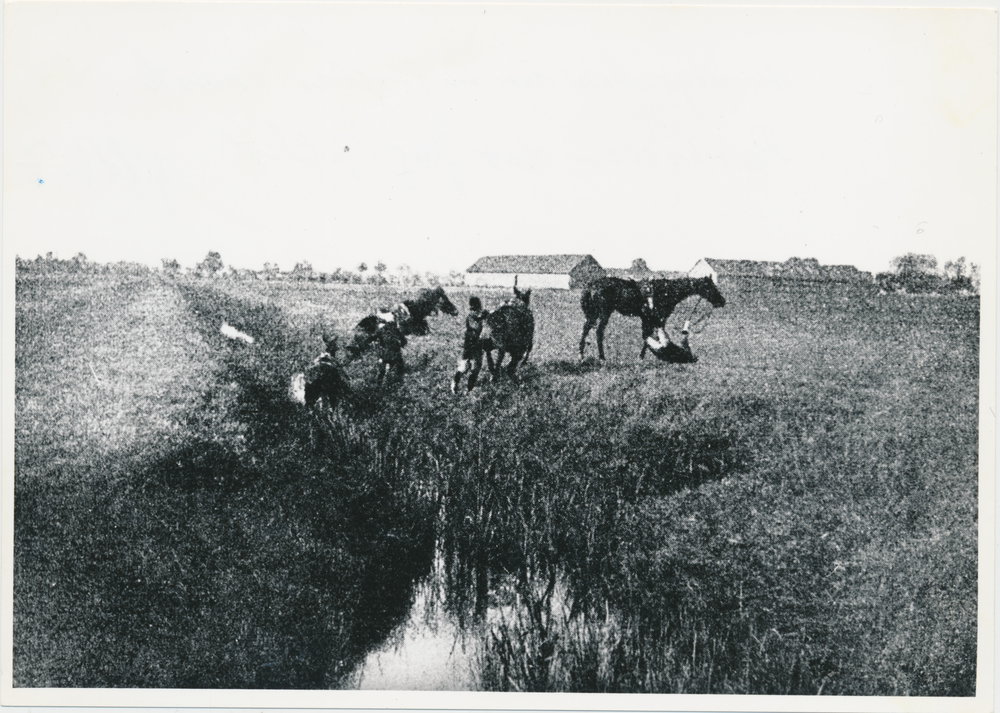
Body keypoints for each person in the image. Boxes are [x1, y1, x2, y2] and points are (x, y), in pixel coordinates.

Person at [451, 296, 489, 393]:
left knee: (465, 367)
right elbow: (476, 325)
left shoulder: (472, 315)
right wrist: (483, 316)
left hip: (469, 344)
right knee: (474, 368)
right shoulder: (473, 316)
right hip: (474, 344)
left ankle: (456, 384)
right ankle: (467, 388)